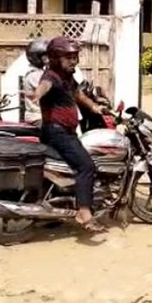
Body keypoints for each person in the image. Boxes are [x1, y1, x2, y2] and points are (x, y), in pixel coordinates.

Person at [27, 36, 106, 232]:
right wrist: (37, 94)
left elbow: (78, 94)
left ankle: (56, 208)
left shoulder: (67, 76)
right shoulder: (51, 76)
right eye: (68, 57)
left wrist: (95, 107)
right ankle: (84, 211)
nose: (74, 61)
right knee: (86, 167)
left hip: (63, 132)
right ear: (55, 57)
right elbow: (44, 86)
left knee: (68, 169)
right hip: (58, 133)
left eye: (75, 56)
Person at [23, 38, 50, 126]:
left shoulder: (41, 72)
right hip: (38, 116)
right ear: (37, 57)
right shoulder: (34, 75)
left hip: (44, 115)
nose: (49, 58)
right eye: (45, 56)